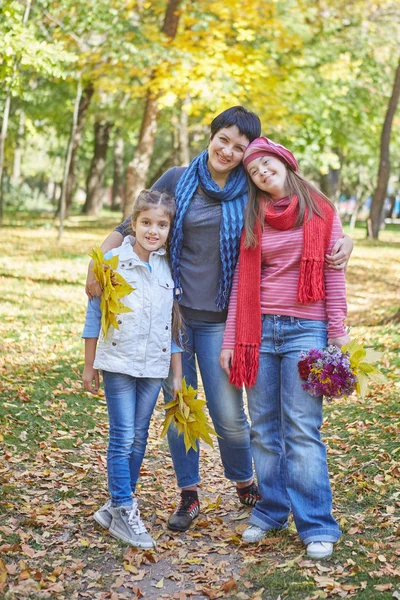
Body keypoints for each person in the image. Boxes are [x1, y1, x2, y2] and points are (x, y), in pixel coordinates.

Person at [86, 107, 354, 533]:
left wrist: (346, 239)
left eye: (239, 147)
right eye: (223, 139)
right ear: (210, 135)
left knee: (230, 416)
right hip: (171, 317)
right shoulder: (177, 178)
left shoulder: (252, 188)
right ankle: (189, 493)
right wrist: (97, 264)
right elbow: (130, 225)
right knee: (180, 407)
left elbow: (305, 207)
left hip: (222, 321)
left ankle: (245, 480)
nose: (227, 151)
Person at [220, 137, 348, 560]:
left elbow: (333, 275)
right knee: (264, 428)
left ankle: (316, 525)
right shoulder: (253, 215)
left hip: (305, 330)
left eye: (266, 164)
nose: (261, 173)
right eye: (253, 171)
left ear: (284, 162)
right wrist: (230, 341)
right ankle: (271, 512)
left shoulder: (321, 210)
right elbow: (242, 280)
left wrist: (338, 331)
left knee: (302, 429)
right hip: (259, 332)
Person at [82, 189, 183, 548]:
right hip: (118, 364)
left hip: (153, 368)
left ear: (170, 229)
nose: (153, 231)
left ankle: (115, 505)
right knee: (122, 436)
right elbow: (94, 315)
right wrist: (88, 365)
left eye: (161, 224)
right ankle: (125, 506)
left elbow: (171, 327)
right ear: (133, 224)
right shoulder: (110, 262)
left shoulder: (169, 268)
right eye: (146, 223)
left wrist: (176, 373)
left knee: (139, 437)